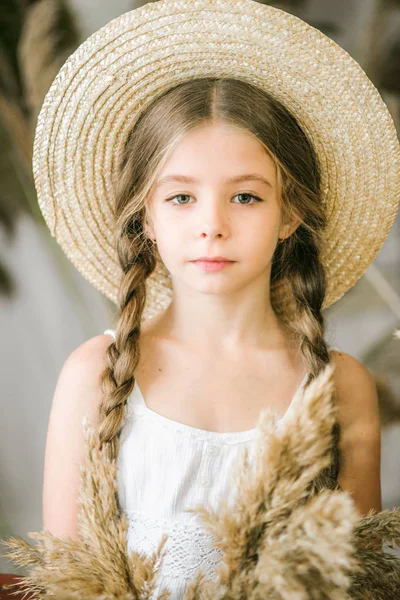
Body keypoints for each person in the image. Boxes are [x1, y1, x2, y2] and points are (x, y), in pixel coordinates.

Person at [37, 0, 399, 597]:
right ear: (145, 217)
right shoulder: (94, 376)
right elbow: (63, 581)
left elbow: (355, 582)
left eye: (247, 197)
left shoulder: (341, 389)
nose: (212, 225)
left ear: (292, 214)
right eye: (181, 197)